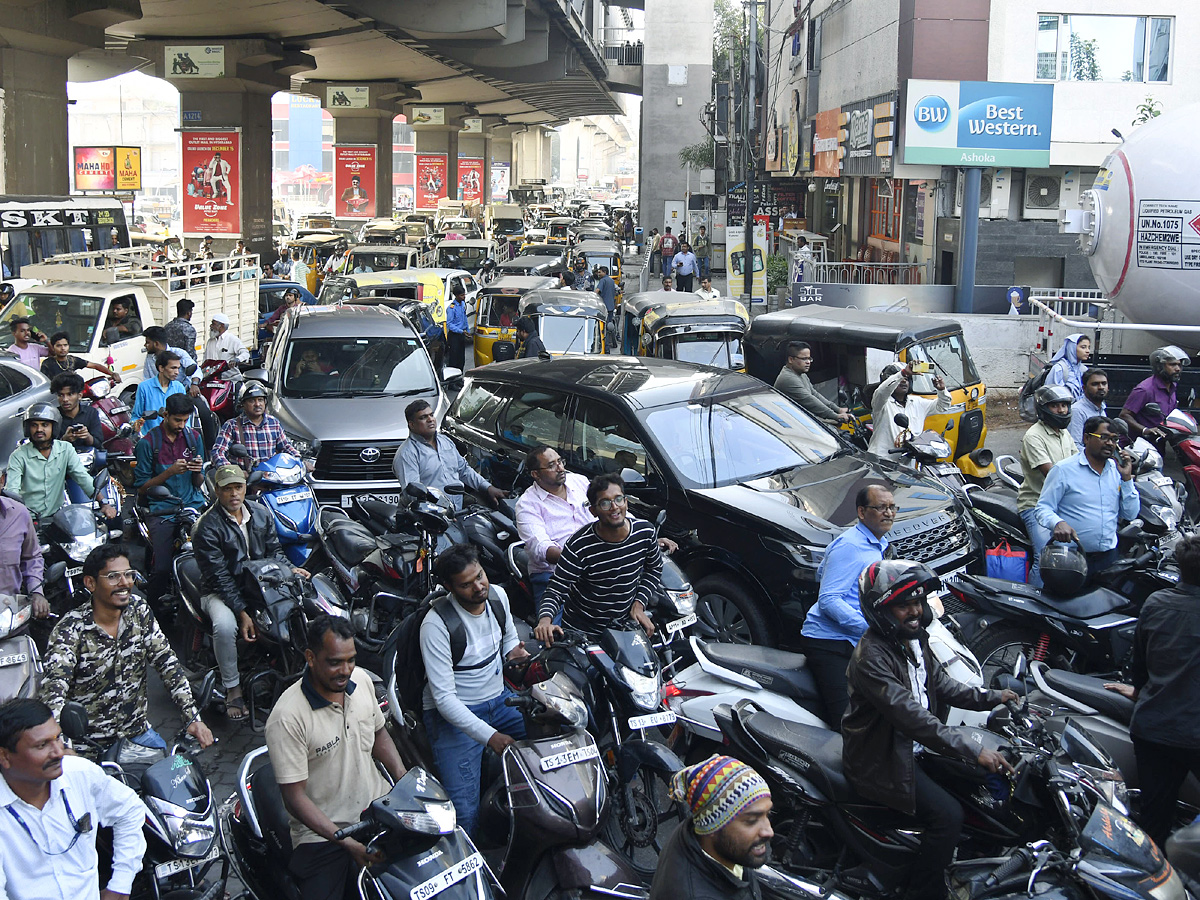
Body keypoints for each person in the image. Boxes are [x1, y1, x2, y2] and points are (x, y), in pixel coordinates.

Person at [843, 560, 1017, 900]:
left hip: (914, 750)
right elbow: (911, 717)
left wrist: (996, 697)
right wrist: (973, 750)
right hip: (883, 760)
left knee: (982, 794)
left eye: (917, 603)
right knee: (949, 816)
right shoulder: (871, 657)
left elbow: (942, 685)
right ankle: (923, 891)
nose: (914, 611)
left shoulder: (913, 641)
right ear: (881, 610)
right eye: (903, 605)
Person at [266, 615, 406, 900]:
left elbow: (379, 734)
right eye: (334, 662)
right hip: (323, 837)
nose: (345, 670)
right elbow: (295, 798)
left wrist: (403, 781)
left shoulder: (363, 681)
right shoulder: (287, 717)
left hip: (379, 813)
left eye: (351, 660)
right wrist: (346, 842)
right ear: (310, 657)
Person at [41, 543, 213, 755]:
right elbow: (54, 692)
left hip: (137, 736)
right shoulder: (70, 630)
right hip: (87, 748)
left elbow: (166, 663)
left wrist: (192, 718)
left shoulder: (139, 610)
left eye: (129, 575)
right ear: (90, 583)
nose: (124, 583)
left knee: (175, 774)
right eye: (113, 576)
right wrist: (61, 745)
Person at [421, 545, 527, 835]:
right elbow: (444, 701)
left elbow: (509, 641)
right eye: (466, 585)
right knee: (464, 817)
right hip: (455, 716)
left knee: (553, 738)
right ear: (450, 588)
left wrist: (516, 655)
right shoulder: (436, 625)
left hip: (500, 700)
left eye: (480, 576)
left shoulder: (498, 597)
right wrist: (490, 736)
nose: (478, 587)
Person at [1104, 534, 1200, 849]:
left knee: (1153, 826)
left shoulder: (1156, 603)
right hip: (1189, 732)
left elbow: (1140, 666)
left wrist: (1139, 691)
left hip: (1153, 729)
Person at [192, 464, 311, 720]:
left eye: (238, 487)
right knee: (225, 626)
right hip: (220, 591)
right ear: (217, 491)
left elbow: (274, 551)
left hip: (258, 584)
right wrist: (242, 612)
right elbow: (219, 576)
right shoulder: (207, 527)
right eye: (227, 489)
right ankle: (232, 688)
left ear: (246, 488)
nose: (234, 494)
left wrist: (291, 570)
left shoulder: (260, 513)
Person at [0, 697, 147, 900]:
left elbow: (130, 810)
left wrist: (121, 884)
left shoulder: (80, 774)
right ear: (4, 757)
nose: (59, 752)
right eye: (42, 745)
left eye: (58, 738)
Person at [801, 484, 894, 727]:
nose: (889, 513)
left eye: (892, 507)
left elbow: (824, 572)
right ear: (862, 512)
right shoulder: (850, 546)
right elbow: (829, 599)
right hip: (831, 643)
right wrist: (869, 628)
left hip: (858, 641)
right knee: (847, 722)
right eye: (881, 507)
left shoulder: (877, 543)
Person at [535, 473, 663, 644]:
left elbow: (654, 568)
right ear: (593, 511)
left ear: (626, 502)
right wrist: (545, 620)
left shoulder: (645, 532)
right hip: (582, 632)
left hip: (624, 629)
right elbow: (557, 588)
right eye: (605, 503)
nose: (614, 507)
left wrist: (639, 604)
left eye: (619, 499)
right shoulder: (579, 545)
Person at [653, 757, 772, 900]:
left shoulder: (696, 831)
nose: (769, 831)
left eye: (767, 814)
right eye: (751, 821)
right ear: (713, 828)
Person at [1036, 416, 1139, 580]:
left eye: (1114, 439)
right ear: (1086, 438)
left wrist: (1127, 479)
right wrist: (1057, 523)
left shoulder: (1116, 471)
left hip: (1108, 557)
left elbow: (1130, 514)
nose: (1110, 444)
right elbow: (1042, 508)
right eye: (1104, 437)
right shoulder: (1064, 470)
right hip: (1070, 558)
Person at [135, 393, 206, 603]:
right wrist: (169, 472)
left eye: (185, 420)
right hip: (163, 509)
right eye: (177, 420)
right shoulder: (148, 444)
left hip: (192, 505)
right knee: (163, 567)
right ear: (165, 415)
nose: (182, 425)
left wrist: (197, 470)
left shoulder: (194, 438)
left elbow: (198, 482)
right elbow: (141, 488)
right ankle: (154, 610)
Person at [7, 403, 113, 522]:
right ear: (28, 429)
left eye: (45, 425)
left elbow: (82, 477)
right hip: (26, 518)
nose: (39, 429)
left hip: (56, 516)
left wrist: (104, 503)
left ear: (54, 427)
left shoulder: (65, 449)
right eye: (34, 425)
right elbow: (12, 490)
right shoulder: (18, 456)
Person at [393, 400, 506, 510]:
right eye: (423, 417)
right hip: (432, 516)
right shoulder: (407, 454)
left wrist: (488, 487)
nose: (430, 420)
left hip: (457, 508)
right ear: (411, 425)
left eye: (431, 415)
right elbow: (412, 494)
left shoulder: (445, 441)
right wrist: (441, 511)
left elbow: (464, 471)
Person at [1018, 385, 1077, 587]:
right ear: (1043, 409)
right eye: (1055, 406)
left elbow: (1078, 462)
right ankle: (1034, 604)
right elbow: (1053, 475)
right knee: (1045, 556)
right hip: (1036, 505)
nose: (1061, 410)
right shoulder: (1034, 436)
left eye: (1064, 405)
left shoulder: (1063, 433)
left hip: (1062, 503)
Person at [867, 363, 952, 458]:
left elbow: (942, 406)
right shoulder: (881, 404)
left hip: (907, 465)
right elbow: (882, 392)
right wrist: (902, 374)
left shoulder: (917, 402)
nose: (904, 381)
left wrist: (941, 390)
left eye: (907, 379)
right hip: (882, 462)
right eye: (901, 379)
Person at [212, 381, 301, 470]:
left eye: (260, 400)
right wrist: (232, 471)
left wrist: (298, 460)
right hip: (245, 479)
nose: (257, 404)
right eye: (251, 401)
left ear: (265, 402)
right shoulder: (232, 425)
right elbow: (218, 451)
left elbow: (286, 447)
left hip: (271, 477)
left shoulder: (274, 423)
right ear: (243, 404)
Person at [774, 341, 852, 424]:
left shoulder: (800, 374)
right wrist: (835, 416)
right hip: (793, 423)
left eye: (809, 358)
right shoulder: (788, 378)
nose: (808, 362)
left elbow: (814, 394)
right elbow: (810, 401)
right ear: (791, 359)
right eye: (804, 359)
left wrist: (838, 409)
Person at [1121, 346, 1185, 442]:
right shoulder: (1145, 389)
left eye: (1179, 365)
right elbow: (1124, 415)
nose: (1177, 369)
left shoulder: (1172, 387)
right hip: (1138, 446)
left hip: (1158, 442)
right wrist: (1145, 430)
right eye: (1172, 365)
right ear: (1159, 366)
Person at [0, 490, 46, 619]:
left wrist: (36, 592)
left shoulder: (19, 514)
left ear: (1, 481)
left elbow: (31, 557)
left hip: (9, 614)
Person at [132, 350, 186, 437]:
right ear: (161, 368)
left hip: (175, 438)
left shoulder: (179, 387)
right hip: (151, 438)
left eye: (178, 368)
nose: (177, 372)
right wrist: (136, 424)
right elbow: (136, 416)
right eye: (173, 368)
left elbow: (186, 418)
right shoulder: (144, 387)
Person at [52, 372, 104, 455]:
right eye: (61, 395)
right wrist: (64, 440)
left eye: (70, 394)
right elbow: (48, 448)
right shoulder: (53, 416)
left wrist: (87, 436)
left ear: (79, 395)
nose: (65, 399)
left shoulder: (91, 413)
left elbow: (99, 444)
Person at [41, 332, 118, 381]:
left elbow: (95, 365)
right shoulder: (47, 363)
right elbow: (44, 382)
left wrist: (112, 374)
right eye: (59, 346)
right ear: (53, 347)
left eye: (65, 345)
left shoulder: (72, 360)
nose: (63, 348)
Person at [1069, 368, 1108, 450]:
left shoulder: (1102, 409)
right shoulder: (1077, 411)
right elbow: (1074, 446)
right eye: (1095, 384)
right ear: (1084, 388)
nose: (1101, 387)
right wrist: (1097, 457)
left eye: (1104, 383)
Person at [1044, 333, 1090, 401]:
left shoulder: (1084, 370)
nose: (1087, 351)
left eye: (1089, 347)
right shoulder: (1059, 369)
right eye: (1083, 347)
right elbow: (1049, 394)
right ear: (1072, 348)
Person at [445, 283, 469, 370]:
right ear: (457, 296)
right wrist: (461, 331)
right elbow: (449, 324)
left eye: (464, 295)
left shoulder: (462, 304)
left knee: (461, 359)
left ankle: (459, 378)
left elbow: (464, 318)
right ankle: (453, 381)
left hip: (462, 335)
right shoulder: (451, 308)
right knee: (454, 359)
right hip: (454, 336)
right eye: (462, 295)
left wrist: (467, 330)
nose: (464, 297)